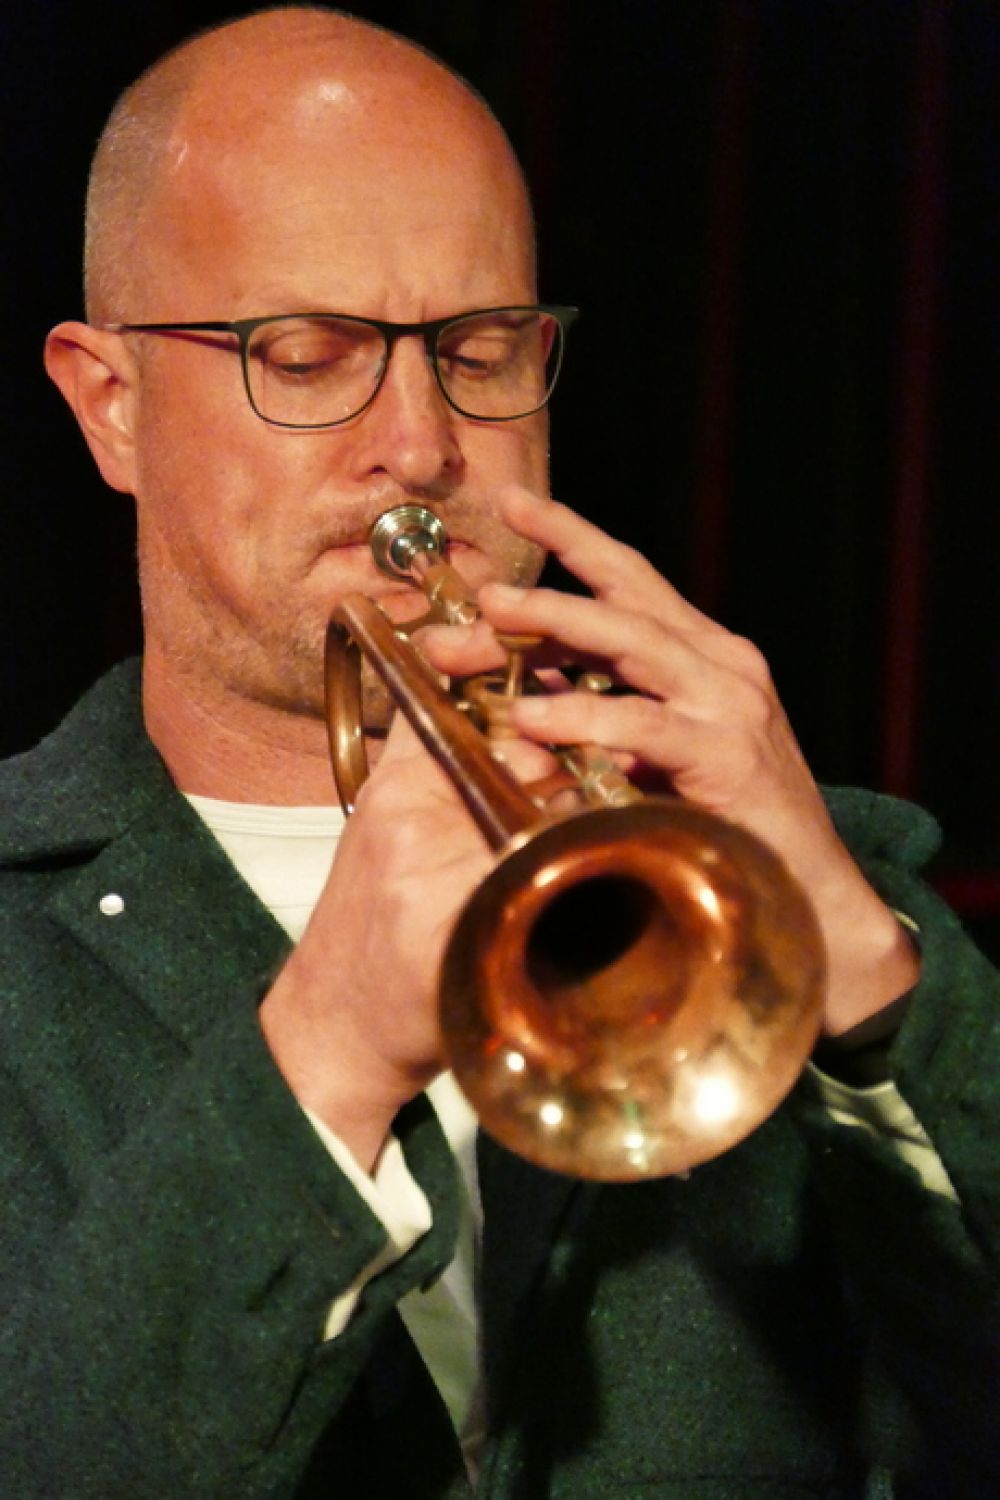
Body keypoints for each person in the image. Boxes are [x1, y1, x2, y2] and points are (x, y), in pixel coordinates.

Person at [1, 7, 996, 1497]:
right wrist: (323, 1057)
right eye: (309, 355)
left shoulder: (810, 880)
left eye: (478, 352)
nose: (419, 444)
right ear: (112, 405)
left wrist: (854, 965)